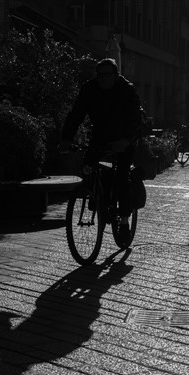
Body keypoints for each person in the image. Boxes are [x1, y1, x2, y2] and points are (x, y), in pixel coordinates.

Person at [61, 58, 143, 244]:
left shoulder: (126, 90)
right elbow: (76, 114)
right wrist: (66, 139)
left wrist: (125, 140)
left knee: (122, 176)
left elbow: (135, 118)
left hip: (125, 138)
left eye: (108, 75)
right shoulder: (89, 89)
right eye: (100, 75)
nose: (103, 79)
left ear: (115, 75)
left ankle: (123, 221)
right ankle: (96, 196)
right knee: (89, 167)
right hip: (101, 137)